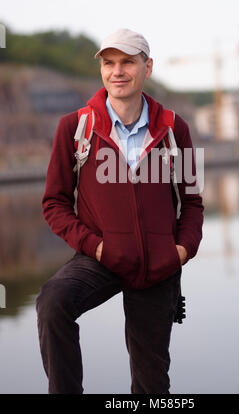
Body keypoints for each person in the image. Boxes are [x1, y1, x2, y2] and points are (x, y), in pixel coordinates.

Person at [36, 28, 204, 394]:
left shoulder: (176, 129)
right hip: (101, 256)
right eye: (109, 63)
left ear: (148, 67)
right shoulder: (75, 128)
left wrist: (180, 252)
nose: (117, 71)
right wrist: (96, 247)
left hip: (159, 263)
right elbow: (54, 203)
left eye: (128, 61)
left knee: (152, 383)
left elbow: (192, 202)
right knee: (52, 303)